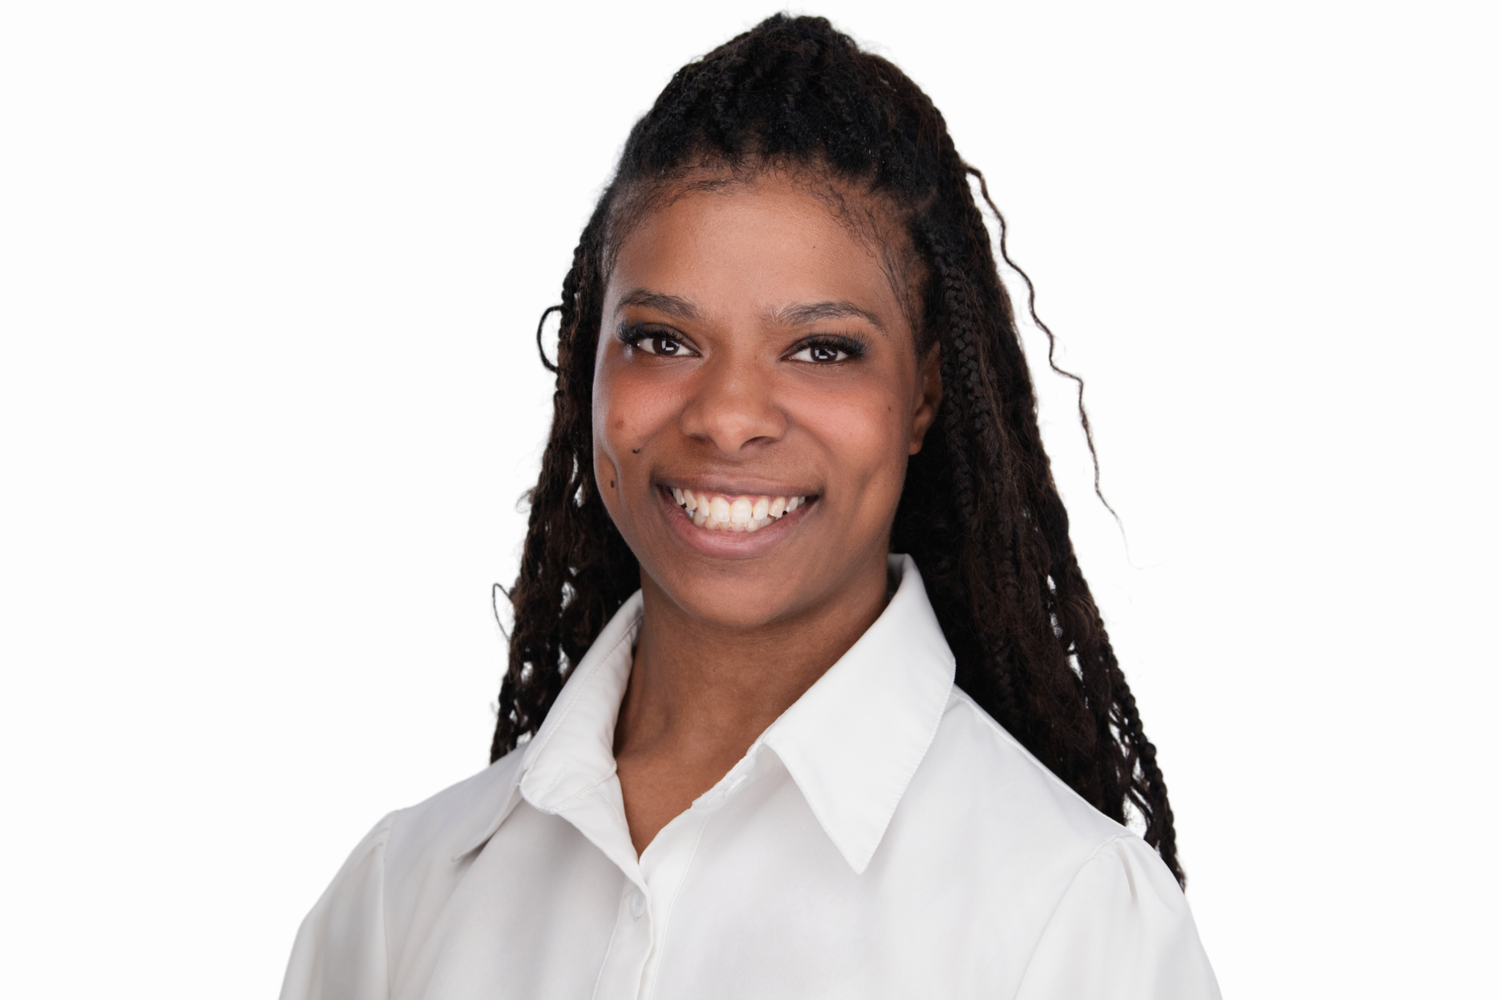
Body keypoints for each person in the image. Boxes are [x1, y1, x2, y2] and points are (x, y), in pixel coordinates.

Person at [280, 14, 1219, 1000]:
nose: (728, 419)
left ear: (925, 396)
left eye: (821, 349)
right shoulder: (399, 896)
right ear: (588, 369)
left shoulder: (1069, 917)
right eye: (661, 340)